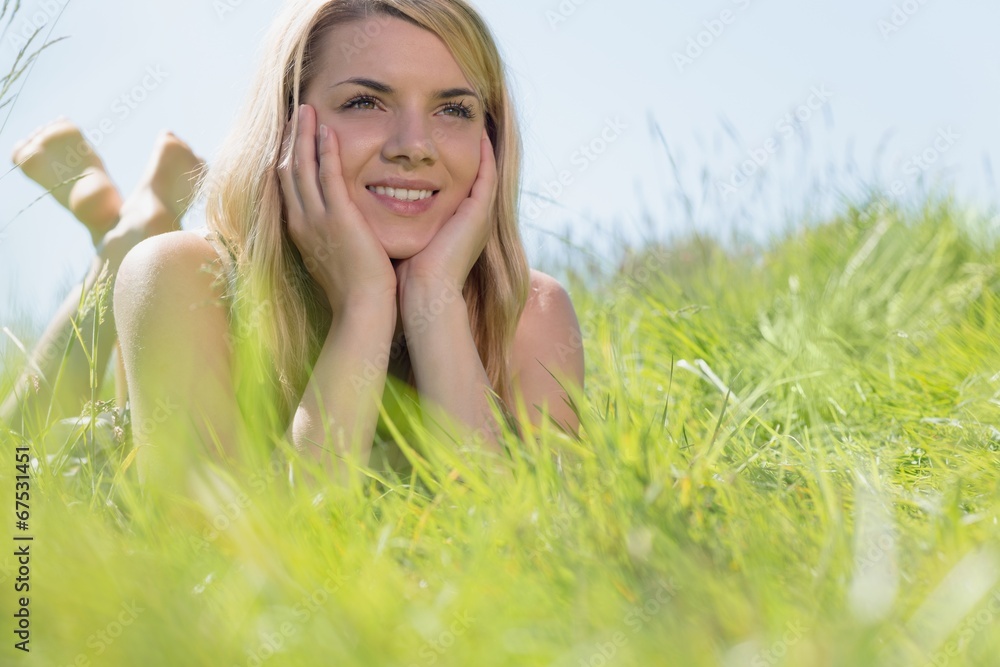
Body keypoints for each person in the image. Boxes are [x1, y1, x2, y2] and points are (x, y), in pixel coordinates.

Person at [7, 0, 585, 497]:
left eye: (454, 109)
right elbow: (228, 564)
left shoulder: (530, 313)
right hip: (99, 461)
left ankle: (126, 224)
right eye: (366, 102)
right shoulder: (182, 274)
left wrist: (435, 299)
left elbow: (524, 546)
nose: (415, 146)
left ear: (491, 138)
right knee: (19, 450)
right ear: (285, 125)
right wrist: (364, 303)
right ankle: (123, 243)